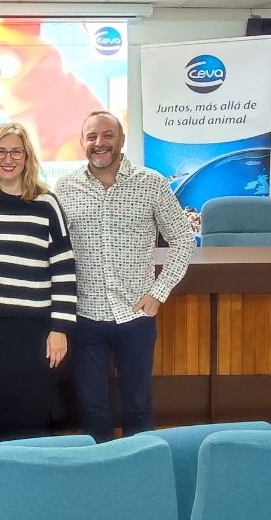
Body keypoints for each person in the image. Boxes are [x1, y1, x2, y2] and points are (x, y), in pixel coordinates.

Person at [55, 110, 195, 443]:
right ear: (82, 143)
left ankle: (142, 472)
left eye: (107, 135)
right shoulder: (66, 187)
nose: (99, 143)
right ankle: (100, 475)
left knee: (137, 403)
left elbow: (183, 239)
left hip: (135, 315)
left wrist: (159, 292)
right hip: (85, 316)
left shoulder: (151, 183)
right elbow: (57, 250)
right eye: (92, 137)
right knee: (91, 406)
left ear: (121, 140)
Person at [0, 123, 76, 442]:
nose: (8, 158)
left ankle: (36, 485)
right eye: (0, 151)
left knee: (35, 414)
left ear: (27, 157)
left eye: (16, 151)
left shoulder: (46, 204)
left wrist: (61, 330)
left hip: (37, 330)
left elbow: (64, 268)